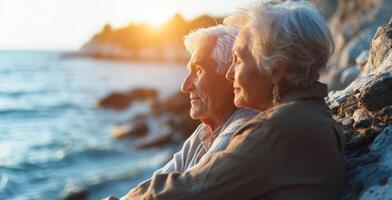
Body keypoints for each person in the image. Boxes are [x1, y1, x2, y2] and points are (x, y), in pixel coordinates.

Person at [119, 1, 344, 199]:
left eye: (238, 60)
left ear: (275, 69)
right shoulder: (311, 114)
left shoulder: (278, 128)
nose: (230, 74)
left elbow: (190, 190)